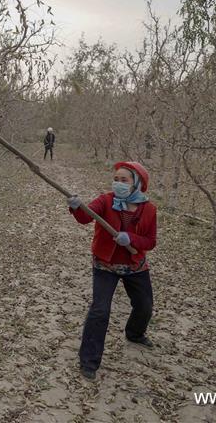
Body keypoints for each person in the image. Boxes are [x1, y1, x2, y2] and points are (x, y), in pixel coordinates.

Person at [66, 161, 157, 380]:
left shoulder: (149, 209)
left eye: (124, 180)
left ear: (136, 184)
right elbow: (86, 217)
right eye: (116, 179)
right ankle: (89, 361)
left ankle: (135, 333)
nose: (118, 183)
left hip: (135, 265)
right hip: (105, 264)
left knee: (144, 305)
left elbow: (150, 241)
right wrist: (76, 207)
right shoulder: (106, 200)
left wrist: (132, 239)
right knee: (100, 310)